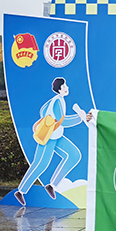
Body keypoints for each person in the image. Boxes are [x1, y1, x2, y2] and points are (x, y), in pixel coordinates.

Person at [14, 77, 89, 206]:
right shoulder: (57, 101)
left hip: (57, 136)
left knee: (74, 155)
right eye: (64, 86)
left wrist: (81, 117)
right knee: (40, 164)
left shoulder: (58, 100)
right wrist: (79, 118)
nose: (67, 88)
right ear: (59, 89)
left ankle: (52, 185)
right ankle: (21, 191)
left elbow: (43, 110)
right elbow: (62, 122)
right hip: (48, 138)